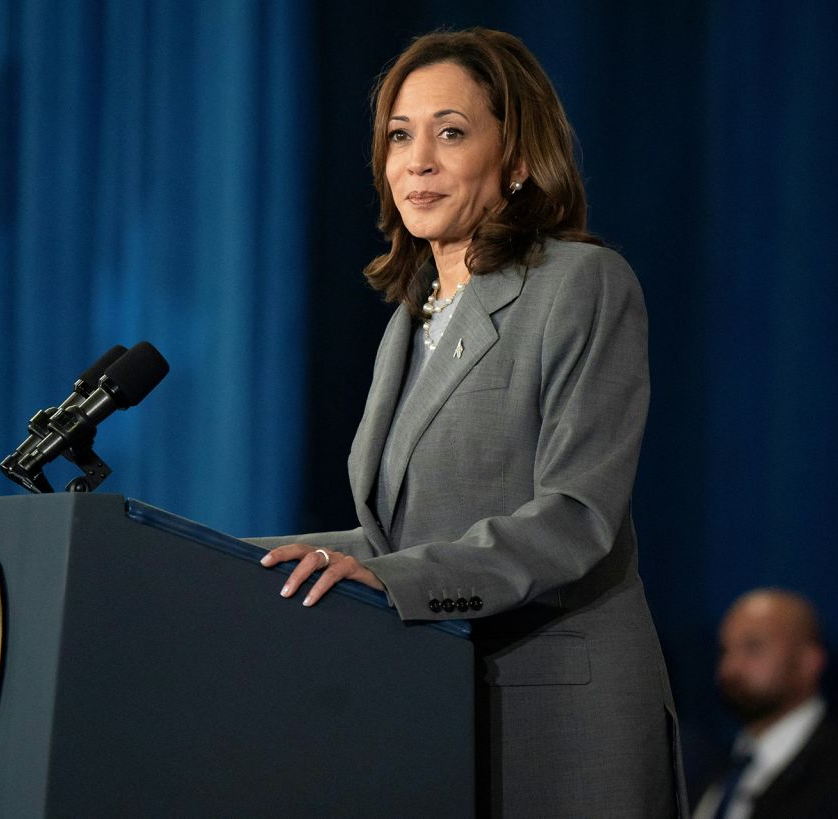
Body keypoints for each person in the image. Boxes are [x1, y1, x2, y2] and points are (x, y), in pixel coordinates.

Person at [252, 27, 684, 818]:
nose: (417, 160)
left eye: (450, 132)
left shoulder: (582, 283)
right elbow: (398, 539)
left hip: (559, 713)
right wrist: (244, 562)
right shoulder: (411, 317)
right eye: (399, 136)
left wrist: (393, 578)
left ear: (517, 160)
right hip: (437, 704)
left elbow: (576, 518)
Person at [693, 589, 838, 819]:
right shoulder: (713, 767)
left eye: (753, 647)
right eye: (725, 650)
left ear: (808, 662)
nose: (730, 668)